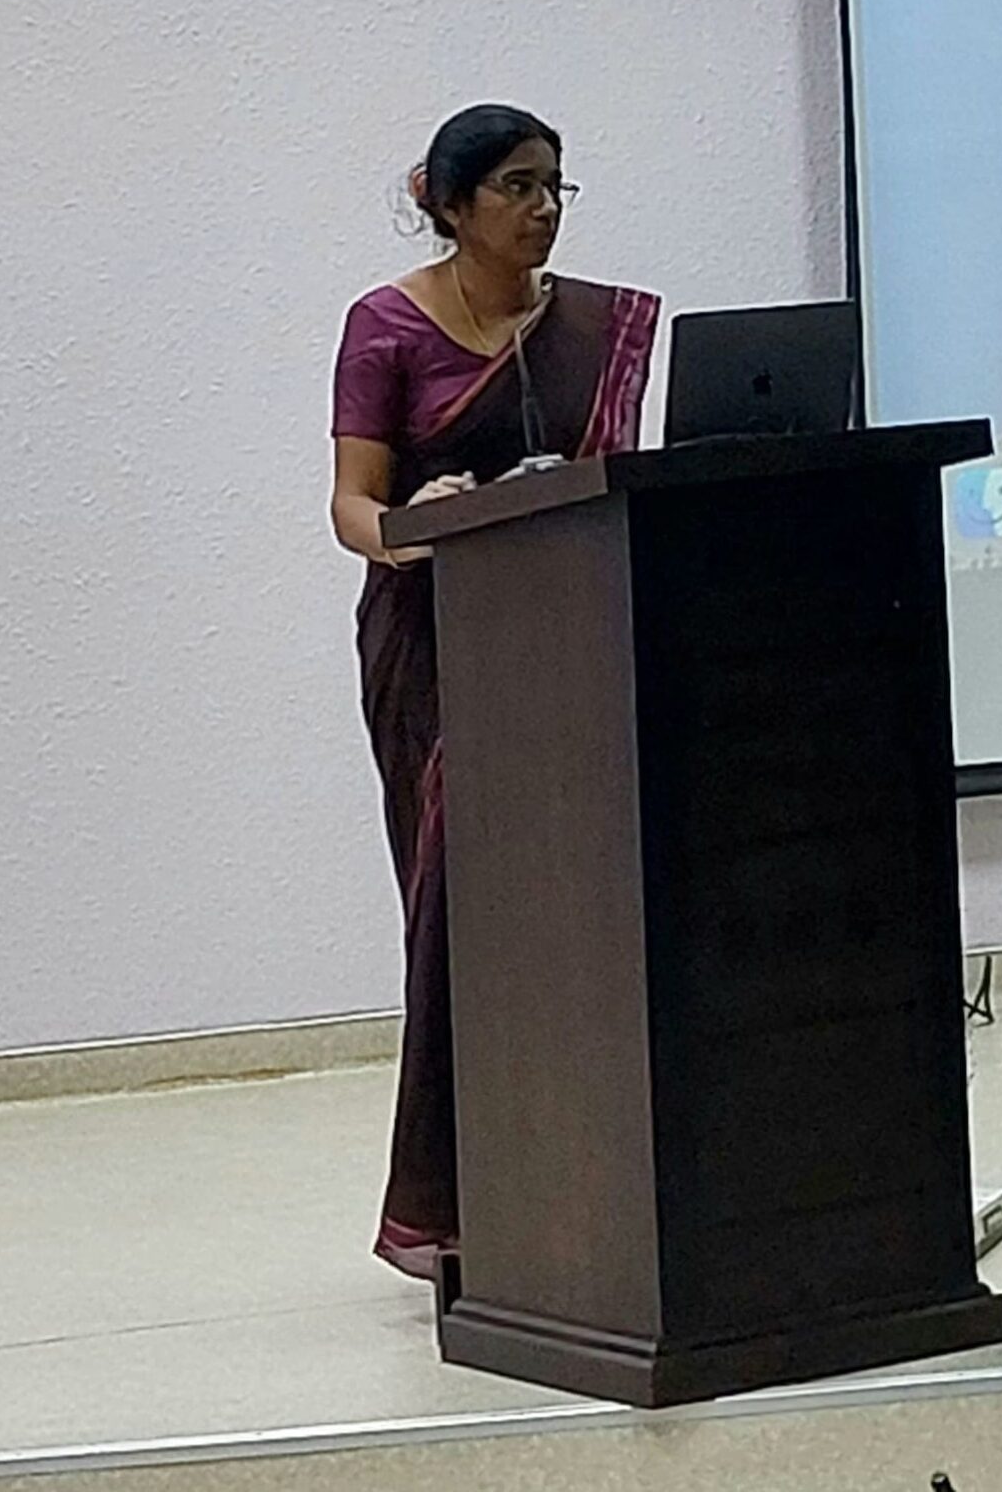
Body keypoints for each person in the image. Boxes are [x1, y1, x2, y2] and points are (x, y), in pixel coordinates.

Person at [328, 104, 661, 1280]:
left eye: (555, 186)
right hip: (435, 645)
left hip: (569, 640)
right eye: (518, 187)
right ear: (452, 203)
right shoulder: (385, 326)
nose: (543, 210)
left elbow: (605, 483)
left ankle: (576, 1177)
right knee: (459, 915)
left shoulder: (594, 326)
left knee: (576, 908)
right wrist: (412, 529)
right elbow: (352, 505)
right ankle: (443, 1209)